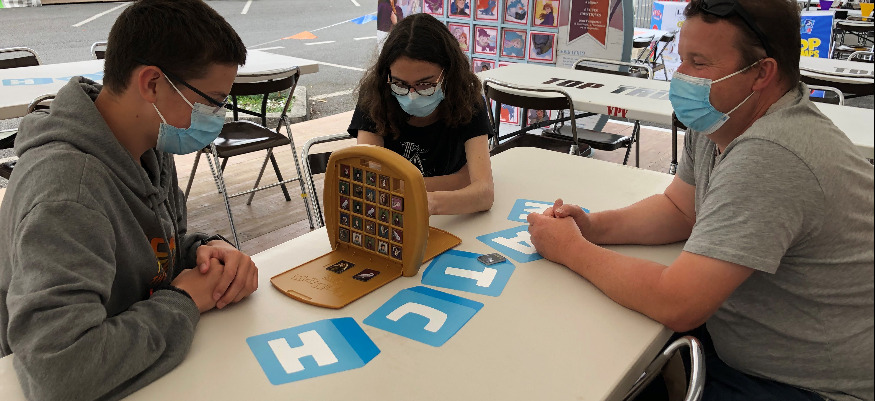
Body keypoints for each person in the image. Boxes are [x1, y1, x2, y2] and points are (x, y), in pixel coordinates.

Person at [527, 0, 874, 400]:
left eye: (699, 62)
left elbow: (678, 302)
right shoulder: (721, 118)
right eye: (681, 59)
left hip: (807, 384)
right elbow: (680, 209)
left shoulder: (773, 154)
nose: (682, 76)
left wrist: (571, 249)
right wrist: (593, 227)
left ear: (762, 72)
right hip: (746, 344)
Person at [0, 1, 259, 400]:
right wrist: (185, 299)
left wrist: (203, 251)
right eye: (211, 101)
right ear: (152, 83)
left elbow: (152, 249)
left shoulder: (147, 145)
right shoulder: (68, 195)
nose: (217, 116)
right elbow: (58, 373)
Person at [348, 13, 494, 216]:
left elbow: (484, 193)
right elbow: (370, 184)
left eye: (425, 84)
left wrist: (425, 201)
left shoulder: (467, 100)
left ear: (449, 74)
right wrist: (458, 182)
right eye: (399, 84)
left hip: (449, 217)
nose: (412, 95)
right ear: (386, 75)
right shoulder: (374, 97)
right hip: (395, 215)